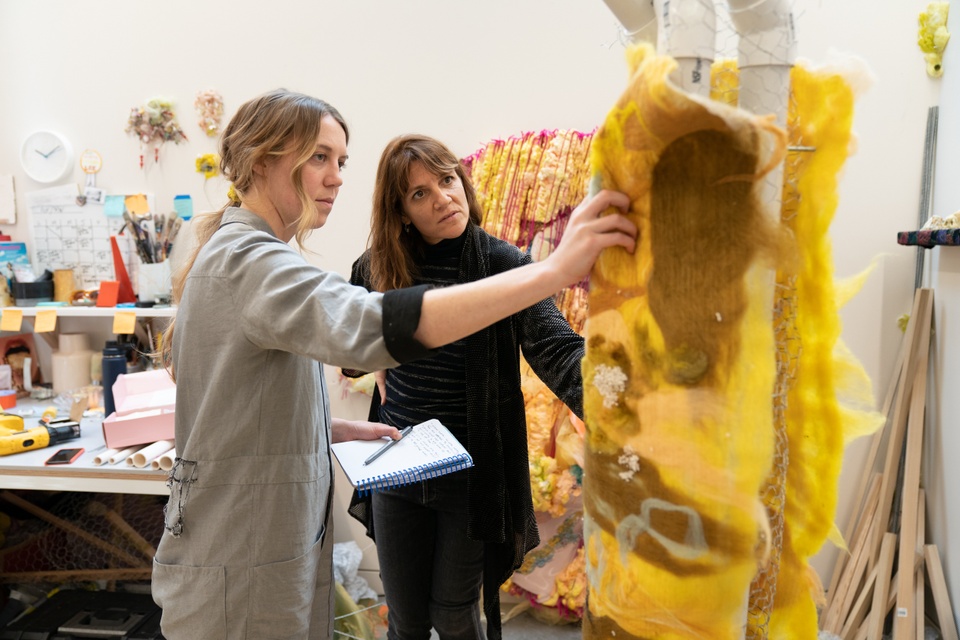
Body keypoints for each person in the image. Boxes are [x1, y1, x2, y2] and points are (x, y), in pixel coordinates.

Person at [150, 90, 636, 640]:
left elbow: (245, 394)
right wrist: (554, 271)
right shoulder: (255, 261)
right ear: (263, 161)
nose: (335, 178)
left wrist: (321, 427)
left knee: (454, 612)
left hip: (444, 481)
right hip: (249, 554)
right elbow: (364, 327)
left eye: (341, 162)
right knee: (405, 618)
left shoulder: (256, 255)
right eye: (319, 158)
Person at [346, 134, 589, 640]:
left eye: (446, 179)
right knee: (407, 620)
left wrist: (627, 398)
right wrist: (371, 355)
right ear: (401, 211)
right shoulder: (377, 268)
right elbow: (348, 353)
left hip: (471, 475)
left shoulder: (503, 264)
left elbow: (559, 352)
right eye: (419, 194)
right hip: (399, 464)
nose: (442, 198)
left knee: (454, 615)